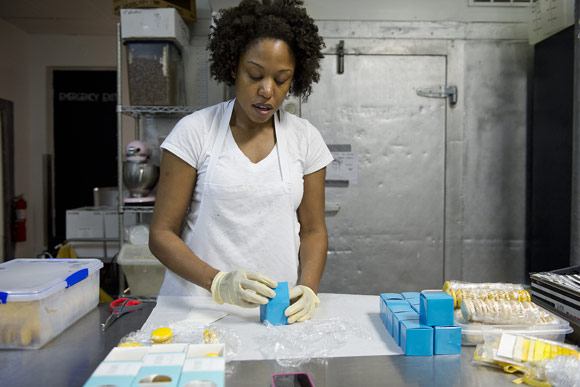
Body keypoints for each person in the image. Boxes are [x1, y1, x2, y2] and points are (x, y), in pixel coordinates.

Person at [149, 0, 332, 324]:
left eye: (281, 79)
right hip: (194, 310)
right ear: (233, 67)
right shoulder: (194, 132)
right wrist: (218, 282)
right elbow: (162, 234)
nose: (267, 91)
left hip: (275, 313)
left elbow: (314, 231)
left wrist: (309, 288)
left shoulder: (305, 139)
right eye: (255, 74)